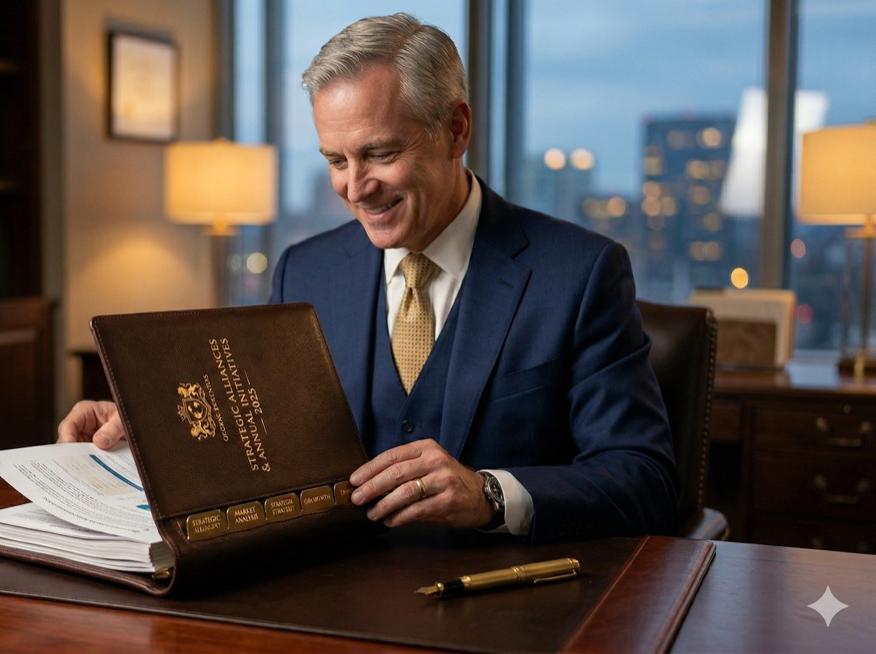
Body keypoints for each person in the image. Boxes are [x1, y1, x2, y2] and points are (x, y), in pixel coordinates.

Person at [59, 13, 677, 544]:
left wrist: (489, 493)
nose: (355, 188)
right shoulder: (305, 269)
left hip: (506, 601)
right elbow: (263, 446)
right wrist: (144, 434)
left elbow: (643, 477)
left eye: (381, 154)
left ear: (456, 129)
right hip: (325, 593)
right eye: (336, 160)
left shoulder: (580, 271)